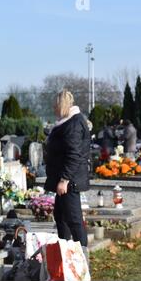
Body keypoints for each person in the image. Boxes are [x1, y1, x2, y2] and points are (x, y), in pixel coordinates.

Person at [44, 90, 90, 260]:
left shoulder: (73, 124)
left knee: (74, 219)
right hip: (65, 180)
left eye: (56, 105)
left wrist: (64, 179)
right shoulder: (67, 123)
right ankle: (66, 256)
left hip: (69, 181)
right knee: (61, 217)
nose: (54, 108)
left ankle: (82, 260)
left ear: (62, 105)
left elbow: (74, 154)